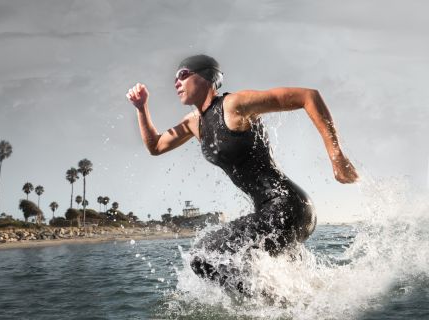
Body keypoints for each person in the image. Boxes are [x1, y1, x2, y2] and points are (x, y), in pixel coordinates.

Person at [126, 54, 359, 290]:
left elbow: (308, 96)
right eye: (175, 78)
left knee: (203, 256)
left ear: (207, 76)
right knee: (242, 267)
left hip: (287, 207)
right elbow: (155, 146)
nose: (176, 82)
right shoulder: (193, 123)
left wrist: (336, 156)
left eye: (183, 75)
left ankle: (265, 308)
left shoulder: (234, 104)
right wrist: (141, 107)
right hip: (271, 215)